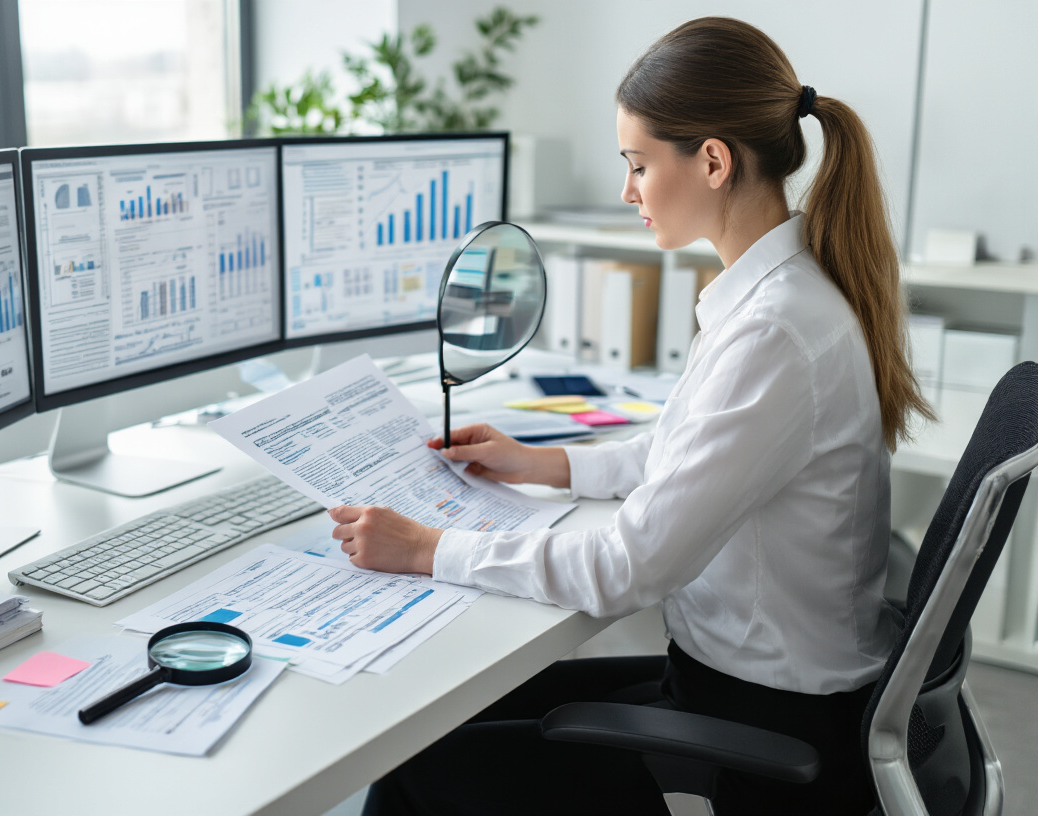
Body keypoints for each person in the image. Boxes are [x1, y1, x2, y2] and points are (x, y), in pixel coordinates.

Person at [328, 15, 937, 816]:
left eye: (639, 165)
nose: (627, 192)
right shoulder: (777, 298)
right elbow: (685, 450)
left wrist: (428, 548)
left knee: (418, 764)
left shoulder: (776, 332)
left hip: (766, 718)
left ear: (713, 161)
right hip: (741, 683)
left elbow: (628, 569)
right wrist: (542, 462)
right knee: (444, 727)